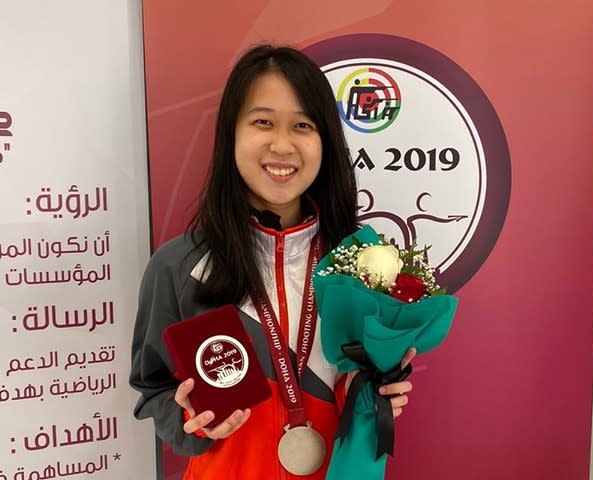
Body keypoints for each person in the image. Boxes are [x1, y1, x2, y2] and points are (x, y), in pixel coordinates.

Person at [129, 45, 415, 480]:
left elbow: (362, 379)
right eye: (262, 122)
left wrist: (371, 395)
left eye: (303, 125)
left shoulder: (362, 261)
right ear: (232, 135)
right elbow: (153, 388)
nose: (282, 145)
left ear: (325, 142)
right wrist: (188, 420)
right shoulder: (178, 265)